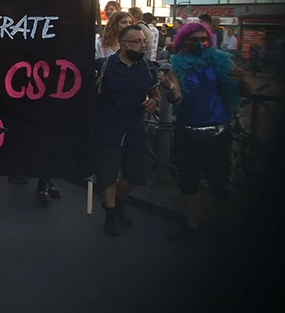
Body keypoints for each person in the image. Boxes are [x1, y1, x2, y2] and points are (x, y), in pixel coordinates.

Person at [164, 22, 248, 241]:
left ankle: (224, 231)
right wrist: (172, 91)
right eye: (195, 40)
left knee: (219, 184)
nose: (200, 43)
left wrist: (244, 79)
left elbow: (244, 91)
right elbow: (177, 98)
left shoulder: (221, 60)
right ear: (185, 42)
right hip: (187, 131)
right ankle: (191, 228)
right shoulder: (177, 65)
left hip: (219, 132)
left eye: (204, 39)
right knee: (188, 182)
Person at [92, 25, 168, 236]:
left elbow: (155, 94)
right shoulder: (105, 66)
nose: (142, 45)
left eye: (144, 41)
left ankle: (117, 201)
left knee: (137, 174)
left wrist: (154, 101)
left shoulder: (147, 68)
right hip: (108, 128)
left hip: (135, 129)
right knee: (106, 175)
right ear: (124, 44)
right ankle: (111, 215)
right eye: (137, 41)